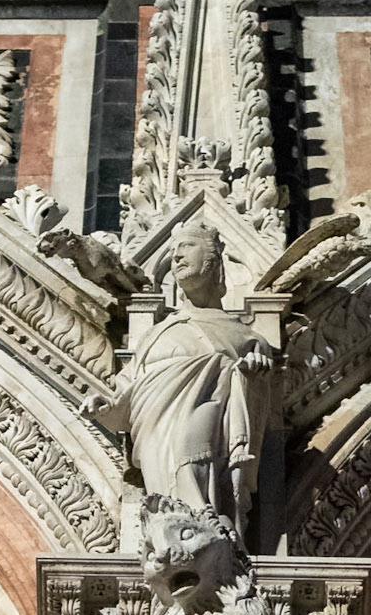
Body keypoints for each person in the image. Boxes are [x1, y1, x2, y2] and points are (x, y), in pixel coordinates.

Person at [86, 222, 280, 539]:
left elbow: (259, 408)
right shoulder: (157, 333)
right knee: (167, 488)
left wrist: (252, 377)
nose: (177, 257)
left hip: (207, 417)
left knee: (192, 448)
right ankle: (177, 533)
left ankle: (205, 530)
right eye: (174, 251)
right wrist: (105, 405)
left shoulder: (248, 337)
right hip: (153, 429)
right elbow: (130, 387)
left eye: (188, 247)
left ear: (215, 261)